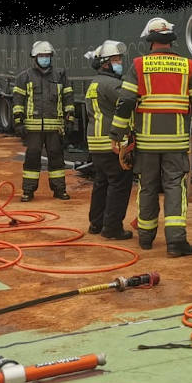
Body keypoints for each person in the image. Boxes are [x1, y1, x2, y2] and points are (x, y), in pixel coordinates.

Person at [110, 17, 192, 257]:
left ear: (150, 41)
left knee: (147, 187)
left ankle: (145, 238)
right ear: (170, 40)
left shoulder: (139, 65)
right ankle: (175, 242)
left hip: (146, 142)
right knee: (175, 187)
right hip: (176, 142)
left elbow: (126, 102)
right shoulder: (188, 66)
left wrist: (118, 133)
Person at [12, 41, 75, 202]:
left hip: (55, 128)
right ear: (35, 57)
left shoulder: (60, 75)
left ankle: (59, 190)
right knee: (32, 158)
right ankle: (28, 191)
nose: (45, 58)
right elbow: (18, 101)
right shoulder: (24, 77)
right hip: (32, 128)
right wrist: (18, 122)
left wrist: (70, 119)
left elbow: (68, 98)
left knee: (56, 158)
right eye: (42, 56)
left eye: (47, 56)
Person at [85, 40, 133, 239]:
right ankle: (112, 228)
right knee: (119, 183)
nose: (120, 62)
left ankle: (96, 224)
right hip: (110, 143)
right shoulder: (112, 84)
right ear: (105, 63)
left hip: (96, 143)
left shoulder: (94, 82)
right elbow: (129, 102)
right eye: (116, 59)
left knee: (101, 182)